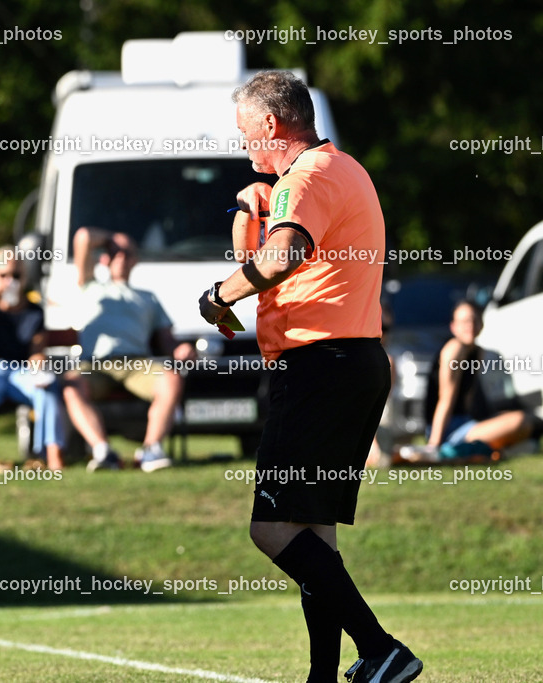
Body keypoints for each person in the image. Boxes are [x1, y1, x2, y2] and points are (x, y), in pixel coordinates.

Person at [198, 70, 422, 683]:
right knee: (311, 534)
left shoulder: (308, 176)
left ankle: (381, 648)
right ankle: (324, 675)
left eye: (245, 131)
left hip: (320, 365)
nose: (243, 144)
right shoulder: (342, 168)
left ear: (271, 123)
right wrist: (255, 215)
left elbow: (283, 254)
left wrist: (218, 295)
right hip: (354, 363)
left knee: (271, 527)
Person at [62, 227, 197, 472]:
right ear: (104, 258)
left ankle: (151, 450)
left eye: (127, 253)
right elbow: (83, 237)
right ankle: (103, 451)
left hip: (137, 365)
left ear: (136, 259)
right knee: (71, 385)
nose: (121, 257)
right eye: (114, 252)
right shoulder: (88, 285)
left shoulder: (148, 297)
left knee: (172, 379)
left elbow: (166, 339)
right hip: (95, 365)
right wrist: (114, 240)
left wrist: (180, 348)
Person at [0, 246, 66, 471]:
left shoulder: (34, 311)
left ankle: (52, 454)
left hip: (21, 372)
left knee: (48, 388)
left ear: (25, 277)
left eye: (16, 275)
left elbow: (37, 350)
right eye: (4, 275)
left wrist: (38, 364)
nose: (10, 281)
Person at [424, 300, 535, 454]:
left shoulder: (478, 352)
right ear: (453, 327)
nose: (470, 325)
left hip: (466, 422)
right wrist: (434, 445)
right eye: (464, 321)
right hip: (447, 428)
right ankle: (452, 449)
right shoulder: (455, 349)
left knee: (521, 420)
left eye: (474, 320)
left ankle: (482, 449)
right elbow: (446, 399)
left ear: (481, 324)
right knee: (519, 421)